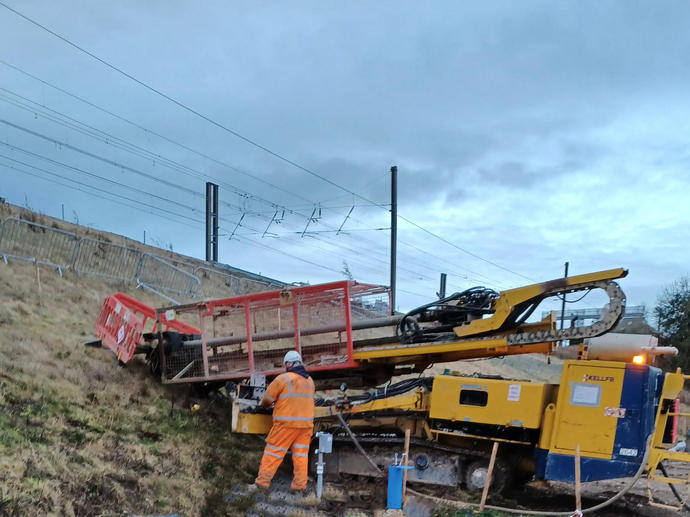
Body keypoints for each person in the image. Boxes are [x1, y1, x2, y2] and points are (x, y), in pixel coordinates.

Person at [250, 350, 315, 493]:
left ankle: (261, 484)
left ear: (289, 364)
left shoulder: (283, 379)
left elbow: (267, 399)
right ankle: (299, 487)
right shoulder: (310, 381)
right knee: (301, 457)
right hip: (305, 427)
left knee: (273, 453)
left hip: (286, 426)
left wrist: (263, 406)